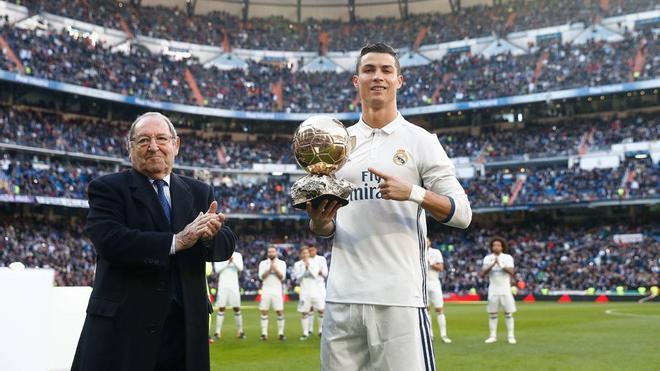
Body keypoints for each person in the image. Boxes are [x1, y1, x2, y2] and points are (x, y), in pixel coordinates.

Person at [306, 42, 472, 371]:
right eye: (369, 70)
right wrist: (320, 223)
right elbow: (328, 228)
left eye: (386, 70)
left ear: (399, 81)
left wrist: (412, 192)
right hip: (342, 298)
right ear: (357, 81)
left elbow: (462, 213)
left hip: (398, 299)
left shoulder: (421, 140)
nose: (377, 76)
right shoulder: (336, 144)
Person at [72, 112, 237, 371]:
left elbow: (226, 244)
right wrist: (176, 241)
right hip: (126, 331)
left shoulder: (199, 191)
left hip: (185, 332)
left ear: (176, 145)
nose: (153, 147)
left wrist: (210, 235)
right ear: (130, 148)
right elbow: (110, 240)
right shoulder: (108, 188)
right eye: (143, 140)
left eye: (161, 138)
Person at [480, 237, 517, 344]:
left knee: (508, 313)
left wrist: (501, 264)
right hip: (493, 289)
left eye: (498, 245)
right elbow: (482, 274)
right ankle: (492, 336)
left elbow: (511, 272)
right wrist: (492, 265)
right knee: (492, 313)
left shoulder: (507, 257)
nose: (496, 247)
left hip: (505, 289)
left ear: (502, 247)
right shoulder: (488, 258)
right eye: (494, 245)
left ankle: (511, 336)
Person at [213, 250, 245, 339]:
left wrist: (233, 261)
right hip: (223, 285)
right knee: (221, 308)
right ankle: (217, 332)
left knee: (236, 308)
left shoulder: (237, 255)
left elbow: (240, 268)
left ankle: (240, 331)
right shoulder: (219, 254)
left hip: (234, 285)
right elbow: (217, 270)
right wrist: (228, 261)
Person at [258, 246, 287, 341]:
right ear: (267, 253)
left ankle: (281, 333)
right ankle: (264, 334)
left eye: (273, 251)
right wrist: (270, 269)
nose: (271, 253)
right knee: (264, 311)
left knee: (279, 311)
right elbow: (261, 277)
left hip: (277, 290)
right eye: (269, 252)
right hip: (266, 289)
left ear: (276, 253)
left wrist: (276, 269)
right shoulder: (263, 263)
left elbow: (282, 277)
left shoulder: (282, 263)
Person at [293, 246, 323, 340]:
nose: (305, 255)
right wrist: (304, 269)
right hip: (304, 291)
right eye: (303, 253)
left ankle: (321, 330)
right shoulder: (297, 264)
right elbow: (298, 278)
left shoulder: (315, 262)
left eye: (307, 253)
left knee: (321, 310)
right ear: (301, 254)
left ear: (309, 254)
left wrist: (308, 267)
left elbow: (315, 275)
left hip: (315, 290)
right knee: (304, 312)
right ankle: (305, 333)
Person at [426, 237, 451, 343]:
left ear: (430, 242)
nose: (425, 242)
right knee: (426, 310)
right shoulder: (416, 251)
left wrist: (430, 263)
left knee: (439, 309)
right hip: (422, 283)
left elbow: (441, 268)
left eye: (427, 240)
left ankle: (443, 335)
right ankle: (429, 334)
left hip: (434, 282)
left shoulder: (435, 252)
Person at [308, 244, 328, 337]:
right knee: (310, 308)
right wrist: (316, 272)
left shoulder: (321, 259)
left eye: (312, 250)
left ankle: (321, 329)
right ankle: (310, 329)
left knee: (321, 308)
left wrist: (317, 272)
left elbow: (325, 273)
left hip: (320, 286)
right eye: (309, 250)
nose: (311, 252)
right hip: (309, 285)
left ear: (316, 250)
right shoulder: (306, 259)